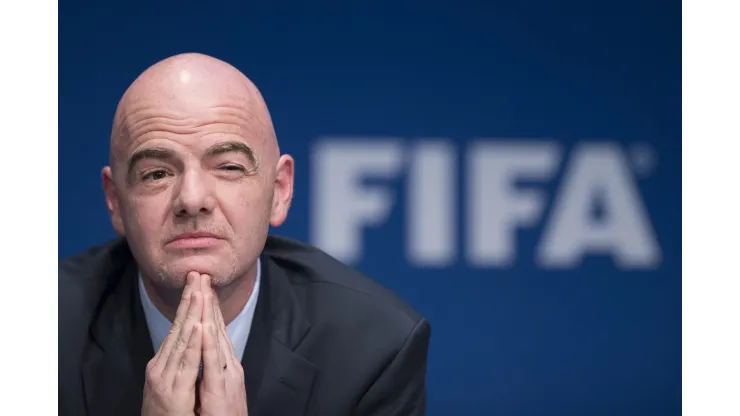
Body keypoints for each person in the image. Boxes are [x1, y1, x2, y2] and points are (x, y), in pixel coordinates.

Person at [58, 53, 431, 416]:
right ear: (115, 202)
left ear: (280, 191)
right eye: (157, 173)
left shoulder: (372, 350)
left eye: (229, 167)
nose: (192, 199)